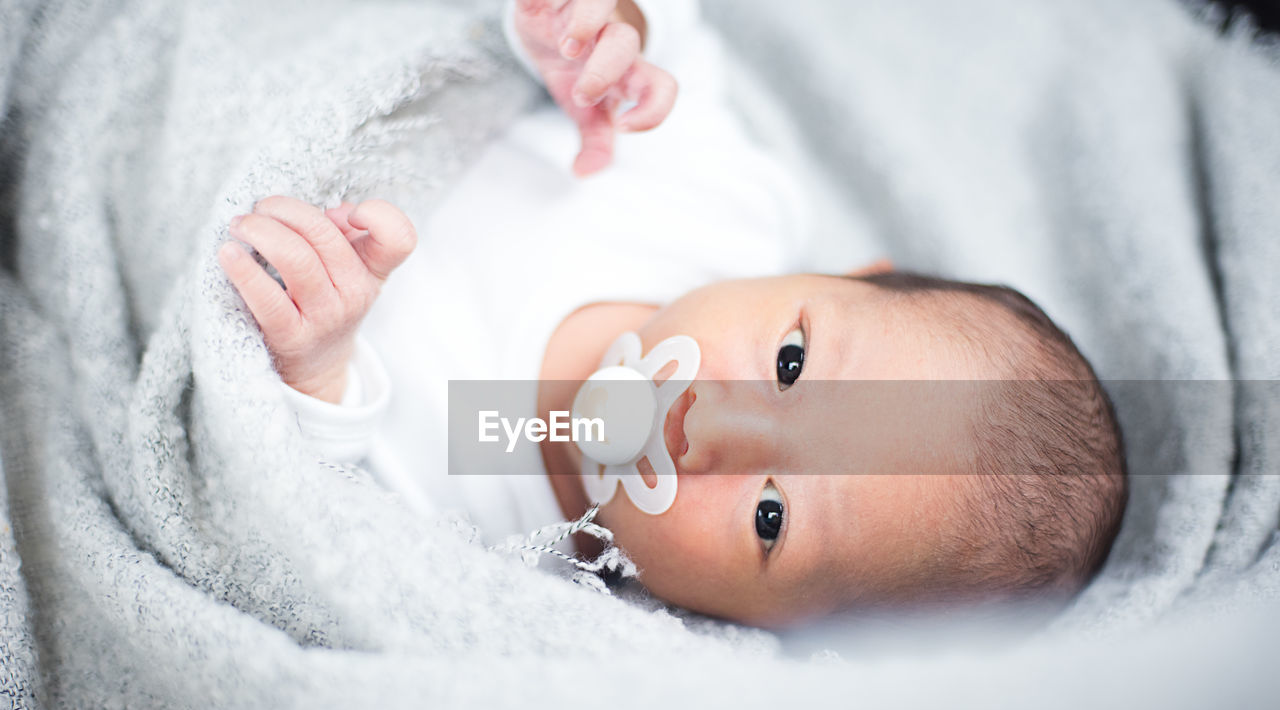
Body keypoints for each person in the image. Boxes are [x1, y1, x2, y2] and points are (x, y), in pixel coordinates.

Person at [217, 0, 1127, 628]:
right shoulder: (715, 208)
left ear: (757, 623)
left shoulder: (513, 563)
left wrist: (318, 367)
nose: (709, 426)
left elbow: (311, 519)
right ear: (847, 274)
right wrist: (598, 39)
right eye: (791, 367)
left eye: (772, 517)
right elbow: (668, 44)